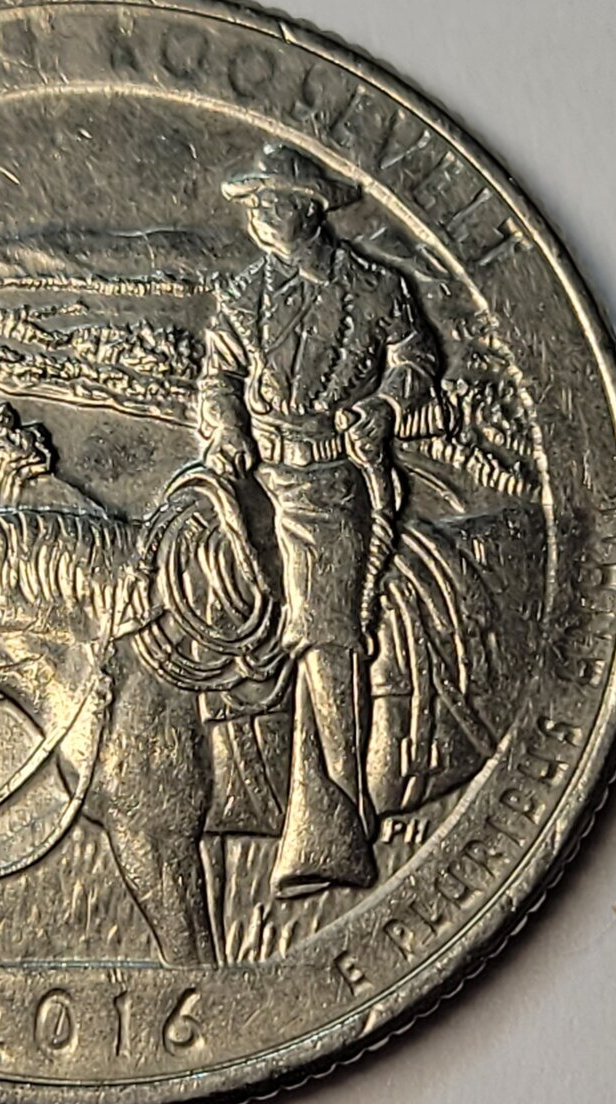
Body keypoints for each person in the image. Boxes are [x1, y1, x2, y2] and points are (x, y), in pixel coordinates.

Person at [197, 142, 448, 897]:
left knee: (323, 634)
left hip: (330, 484)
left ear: (308, 209)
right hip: (254, 477)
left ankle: (335, 820)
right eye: (252, 207)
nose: (258, 218)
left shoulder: (374, 286)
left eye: (271, 204)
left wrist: (385, 407)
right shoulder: (242, 295)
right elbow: (219, 378)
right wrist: (227, 430)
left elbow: (416, 358)